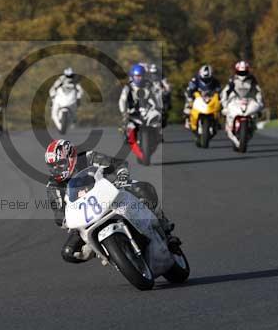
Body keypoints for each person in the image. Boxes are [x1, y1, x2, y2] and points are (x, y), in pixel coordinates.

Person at [45, 139, 179, 264]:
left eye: (60, 164)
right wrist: (65, 220)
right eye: (52, 166)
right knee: (68, 253)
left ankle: (165, 230)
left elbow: (117, 163)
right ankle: (106, 253)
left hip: (110, 193)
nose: (57, 169)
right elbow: (58, 212)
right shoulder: (53, 186)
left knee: (142, 189)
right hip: (85, 216)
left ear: (71, 157)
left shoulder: (87, 157)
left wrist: (122, 174)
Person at [183, 64, 222, 129]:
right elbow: (189, 89)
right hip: (197, 96)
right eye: (204, 79)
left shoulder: (215, 81)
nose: (206, 80)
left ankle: (217, 121)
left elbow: (219, 89)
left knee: (219, 105)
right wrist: (190, 95)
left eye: (208, 79)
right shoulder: (195, 80)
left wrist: (218, 94)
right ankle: (187, 119)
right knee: (188, 104)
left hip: (210, 97)